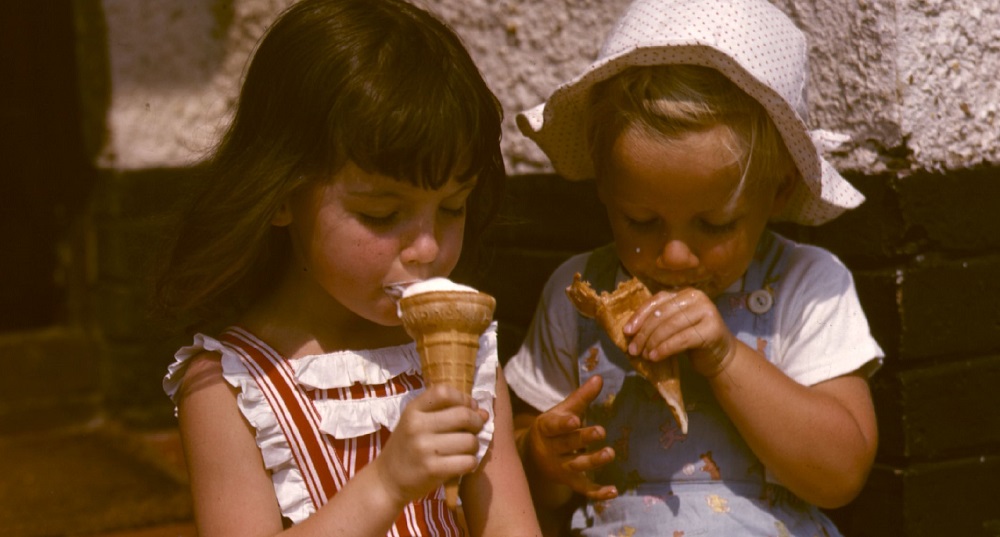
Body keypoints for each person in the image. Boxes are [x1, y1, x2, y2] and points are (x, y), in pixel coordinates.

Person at [154, 0, 540, 535]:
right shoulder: (230, 387)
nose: (427, 247)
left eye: (453, 207)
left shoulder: (468, 355)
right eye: (382, 214)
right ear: (283, 195)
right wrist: (386, 484)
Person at [505, 0, 883, 535]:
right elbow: (518, 470)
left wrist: (726, 358)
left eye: (714, 225)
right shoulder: (577, 298)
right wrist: (543, 457)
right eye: (641, 220)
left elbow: (841, 473)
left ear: (778, 192)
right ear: (606, 192)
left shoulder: (807, 286)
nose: (675, 256)